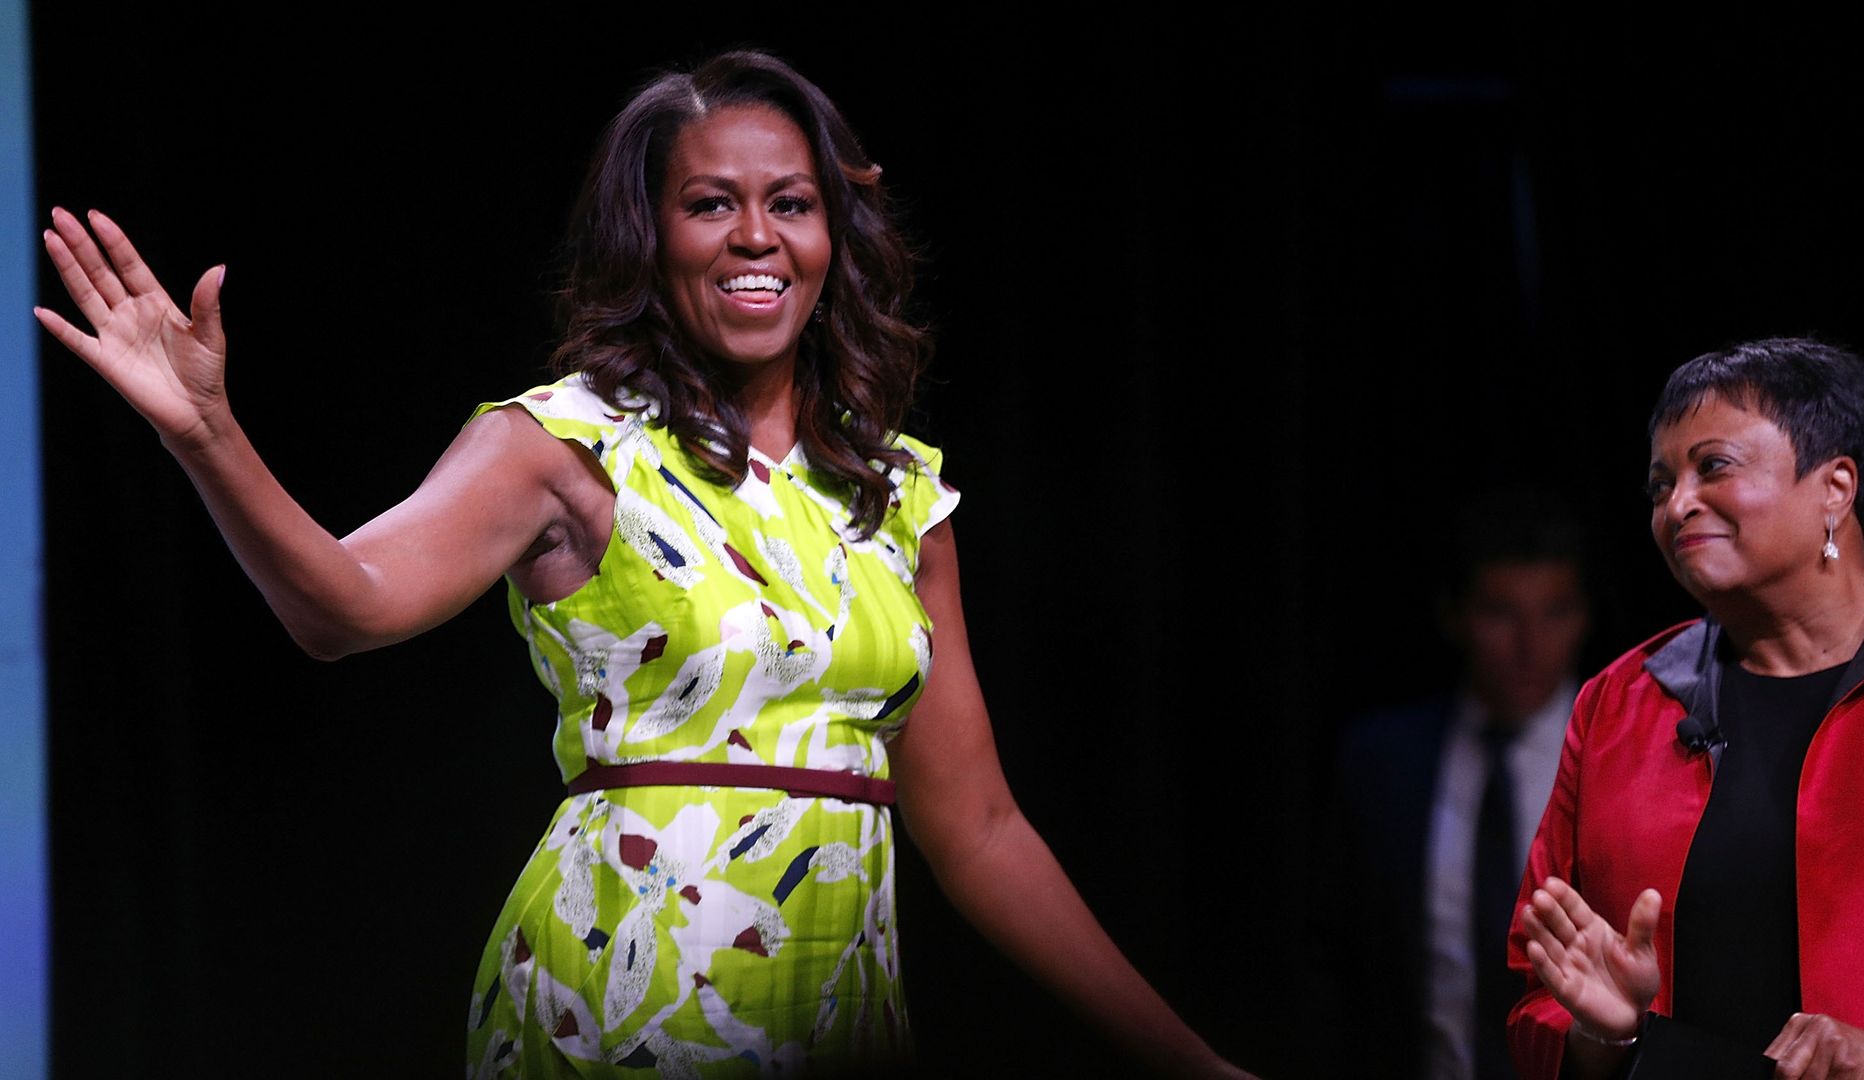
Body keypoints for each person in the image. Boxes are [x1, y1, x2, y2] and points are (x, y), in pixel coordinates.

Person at [34, 50, 1246, 1078]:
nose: (757, 236)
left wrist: (1195, 1064)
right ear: (650, 233)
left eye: (793, 202)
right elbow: (342, 609)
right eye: (710, 202)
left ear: (836, 232)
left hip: (839, 1014)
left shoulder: (898, 494)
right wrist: (208, 436)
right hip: (623, 996)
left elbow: (977, 827)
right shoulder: (564, 443)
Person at [1509, 338, 1864, 1080]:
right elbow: (1538, 997)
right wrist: (1607, 1036)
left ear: (1836, 486)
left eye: (1713, 467)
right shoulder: (1617, 703)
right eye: (1660, 485)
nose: (1678, 505)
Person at [1337, 489, 1590, 1080]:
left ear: (1583, 616)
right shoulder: (1384, 761)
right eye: (1501, 613)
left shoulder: (1622, 757)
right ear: (1456, 615)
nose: (1529, 646)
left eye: (1554, 612)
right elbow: (1342, 959)